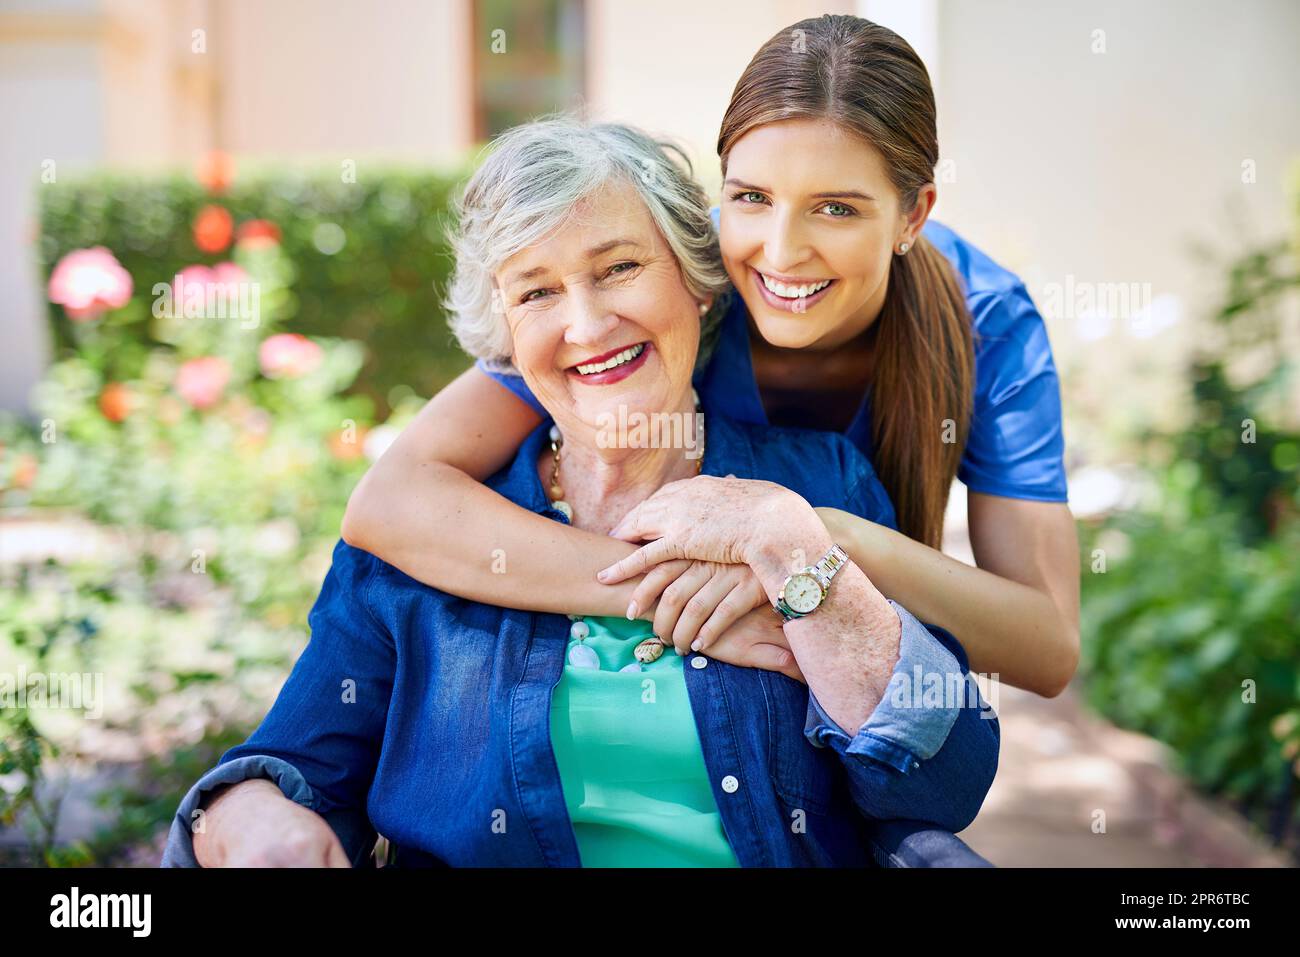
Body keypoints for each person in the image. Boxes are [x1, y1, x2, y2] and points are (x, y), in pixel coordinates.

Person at [161, 118, 997, 868]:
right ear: (505, 333)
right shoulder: (420, 545)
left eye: (620, 268)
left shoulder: (817, 484)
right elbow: (297, 765)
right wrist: (243, 810)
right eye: (537, 292)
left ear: (696, 281)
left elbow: (939, 780)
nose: (587, 325)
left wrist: (793, 543)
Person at [341, 15, 1080, 698]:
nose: (782, 252)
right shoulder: (669, 282)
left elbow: (1046, 647)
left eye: (837, 208)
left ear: (912, 214)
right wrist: (652, 591)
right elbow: (394, 502)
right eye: (752, 197)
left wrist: (812, 539)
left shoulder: (988, 321)